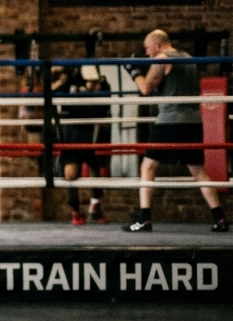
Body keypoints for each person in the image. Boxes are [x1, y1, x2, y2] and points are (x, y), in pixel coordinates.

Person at [124, 30, 227, 233]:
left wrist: (133, 72)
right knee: (198, 171)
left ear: (157, 45)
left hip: (170, 122)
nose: (147, 54)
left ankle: (144, 219)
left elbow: (145, 89)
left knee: (148, 167)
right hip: (194, 122)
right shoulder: (189, 58)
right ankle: (220, 218)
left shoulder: (162, 58)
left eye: (148, 49)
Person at [52, 65, 110, 225]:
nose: (93, 83)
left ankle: (95, 207)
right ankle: (76, 211)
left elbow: (105, 109)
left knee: (98, 172)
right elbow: (48, 93)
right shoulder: (69, 86)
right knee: (71, 176)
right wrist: (57, 75)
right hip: (70, 138)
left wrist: (99, 89)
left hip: (88, 139)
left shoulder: (101, 89)